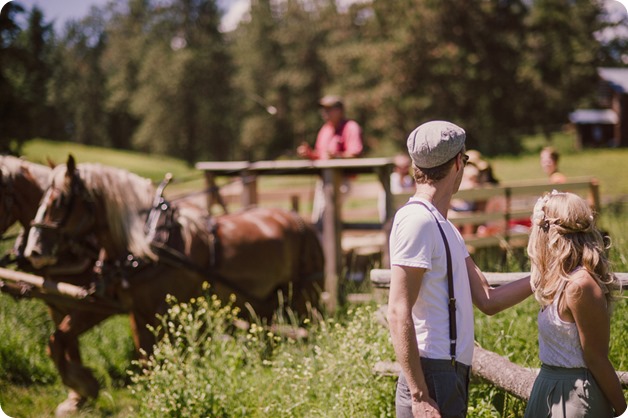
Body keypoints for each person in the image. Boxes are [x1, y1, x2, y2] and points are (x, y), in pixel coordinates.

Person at [387, 120, 533, 418]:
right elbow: (398, 310)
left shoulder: (444, 226)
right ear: (457, 163)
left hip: (449, 372)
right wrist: (419, 395)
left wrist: (546, 275)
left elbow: (488, 300)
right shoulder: (418, 221)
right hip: (430, 372)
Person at [524, 191, 626, 418]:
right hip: (547, 388)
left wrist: (624, 411)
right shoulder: (557, 280)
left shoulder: (580, 285)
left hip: (575, 396)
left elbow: (596, 357)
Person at [297, 95, 363, 223]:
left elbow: (355, 154)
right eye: (323, 109)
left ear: (340, 110)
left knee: (326, 218)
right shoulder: (325, 129)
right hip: (324, 180)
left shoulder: (351, 127)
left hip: (342, 181)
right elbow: (321, 156)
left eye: (328, 109)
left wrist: (337, 156)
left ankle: (329, 242)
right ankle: (327, 242)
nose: (324, 112)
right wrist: (309, 154)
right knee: (320, 218)